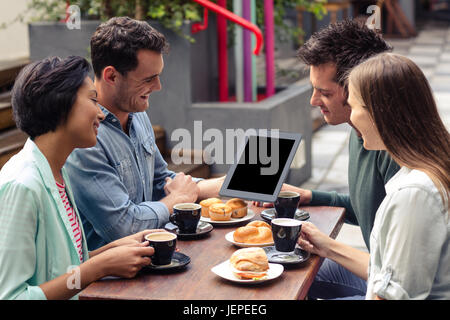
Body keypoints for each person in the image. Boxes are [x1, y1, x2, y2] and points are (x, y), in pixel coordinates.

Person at [0, 56, 170, 300]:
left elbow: (61, 268)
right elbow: (11, 296)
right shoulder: (22, 185)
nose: (101, 114)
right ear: (61, 106)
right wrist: (96, 268)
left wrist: (113, 251)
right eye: (92, 100)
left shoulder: (56, 171)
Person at [254, 19, 400, 299]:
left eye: (325, 92)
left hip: (392, 286)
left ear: (361, 88)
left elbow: (402, 279)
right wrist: (309, 195)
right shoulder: (362, 131)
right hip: (379, 271)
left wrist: (327, 246)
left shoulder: (395, 153)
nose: (313, 101)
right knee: (280, 265)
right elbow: (372, 208)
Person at [298, 53, 450, 300]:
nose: (352, 119)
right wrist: (326, 246)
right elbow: (388, 273)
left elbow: (393, 295)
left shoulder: (414, 193)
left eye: (355, 106)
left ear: (382, 114)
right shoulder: (423, 169)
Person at [65, 17, 224, 250]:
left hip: (149, 257)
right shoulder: (85, 137)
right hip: (107, 280)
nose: (158, 86)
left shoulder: (135, 113)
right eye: (149, 79)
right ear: (111, 76)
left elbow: (161, 181)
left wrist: (229, 184)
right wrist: (176, 200)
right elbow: (123, 227)